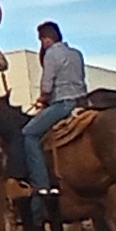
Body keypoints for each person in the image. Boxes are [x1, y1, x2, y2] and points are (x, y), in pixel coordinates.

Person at [17, 21, 87, 202]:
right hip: (82, 101)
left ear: (46, 39)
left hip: (62, 103)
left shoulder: (51, 54)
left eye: (41, 40)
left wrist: (42, 98)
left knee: (29, 134)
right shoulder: (76, 53)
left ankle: (41, 184)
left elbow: (47, 84)